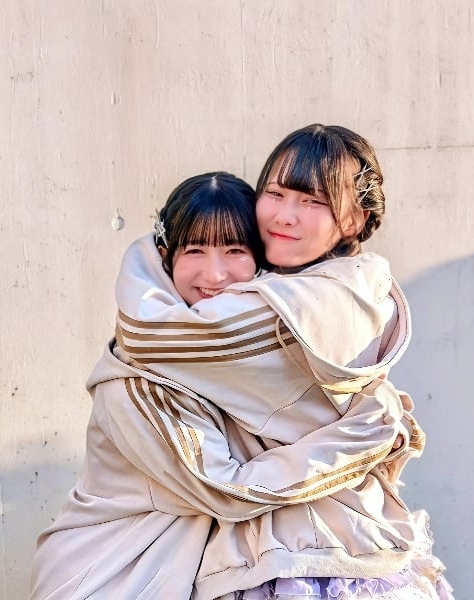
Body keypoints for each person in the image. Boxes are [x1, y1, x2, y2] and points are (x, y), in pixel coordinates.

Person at [29, 169, 419, 600]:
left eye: (235, 250)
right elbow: (227, 490)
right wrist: (363, 438)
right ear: (165, 255)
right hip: (112, 573)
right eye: (194, 250)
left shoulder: (236, 357)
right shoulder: (136, 380)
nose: (215, 274)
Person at [108, 125, 454, 600]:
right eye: (274, 193)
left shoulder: (306, 305)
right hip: (301, 540)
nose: (285, 216)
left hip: (315, 555)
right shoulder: (328, 282)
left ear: (354, 220)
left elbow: (150, 332)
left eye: (313, 202)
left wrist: (148, 255)